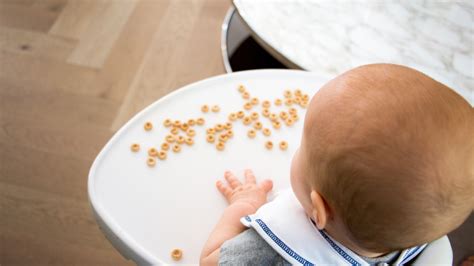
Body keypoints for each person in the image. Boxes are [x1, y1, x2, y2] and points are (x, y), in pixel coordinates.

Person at [200, 64, 473, 265]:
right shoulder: (424, 244)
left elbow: (209, 261)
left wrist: (245, 205)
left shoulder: (269, 250)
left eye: (304, 146)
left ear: (319, 209)